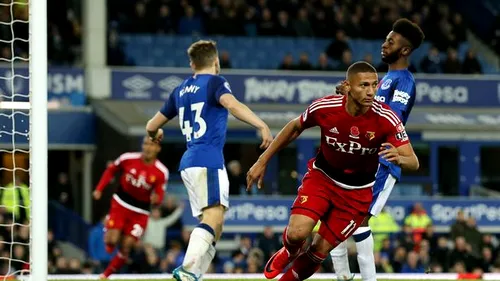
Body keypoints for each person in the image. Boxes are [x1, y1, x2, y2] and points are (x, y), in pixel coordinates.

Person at [246, 61, 419, 281]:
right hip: (322, 179)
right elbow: (294, 126)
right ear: (348, 86)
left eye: (375, 85)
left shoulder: (386, 118)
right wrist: (262, 160)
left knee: (319, 251)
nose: (371, 92)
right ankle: (289, 250)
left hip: (357, 194)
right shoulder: (326, 108)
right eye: (364, 85)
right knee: (297, 233)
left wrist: (400, 158)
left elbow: (413, 162)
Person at [145, 39, 273, 281]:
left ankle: (194, 274)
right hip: (208, 160)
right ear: (216, 61)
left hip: (189, 163)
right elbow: (232, 104)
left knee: (216, 223)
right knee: (213, 218)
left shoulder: (179, 90)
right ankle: (188, 270)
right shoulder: (216, 82)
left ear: (192, 64)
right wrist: (261, 124)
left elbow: (151, 125)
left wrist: (155, 134)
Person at [330, 18, 425, 281]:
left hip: (384, 160)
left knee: (359, 220)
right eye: (385, 39)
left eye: (391, 42)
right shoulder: (383, 80)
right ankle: (343, 276)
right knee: (336, 215)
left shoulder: (404, 81)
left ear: (404, 50)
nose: (384, 45)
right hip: (363, 158)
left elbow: (388, 118)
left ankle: (369, 279)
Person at [93, 137, 169, 279]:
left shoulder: (161, 172)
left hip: (140, 212)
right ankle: (111, 231)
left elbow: (159, 197)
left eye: (152, 145)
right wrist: (99, 189)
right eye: (145, 144)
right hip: (121, 204)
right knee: (111, 242)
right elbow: (111, 170)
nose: (148, 148)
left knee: (127, 245)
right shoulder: (128, 158)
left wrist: (156, 200)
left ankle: (106, 275)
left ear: (158, 149)